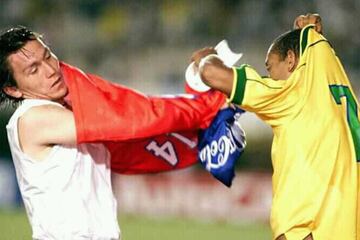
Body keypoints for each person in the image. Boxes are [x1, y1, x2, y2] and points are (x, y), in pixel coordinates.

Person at [0, 27, 231, 239]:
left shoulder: (71, 108)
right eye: (33, 70)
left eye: (48, 55)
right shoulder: (33, 119)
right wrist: (206, 104)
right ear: (13, 90)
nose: (50, 70)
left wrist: (198, 131)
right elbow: (127, 121)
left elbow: (132, 141)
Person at [191, 14, 359, 240]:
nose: (269, 76)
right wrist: (308, 32)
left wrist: (206, 58)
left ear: (291, 60)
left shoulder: (291, 94)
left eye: (270, 67)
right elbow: (318, 53)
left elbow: (213, 74)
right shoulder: (340, 96)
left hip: (305, 229)